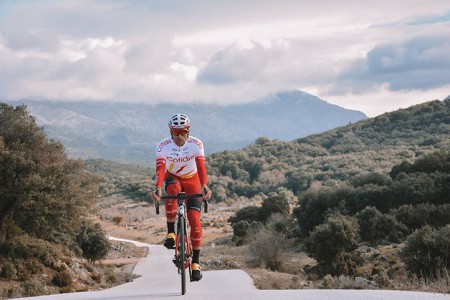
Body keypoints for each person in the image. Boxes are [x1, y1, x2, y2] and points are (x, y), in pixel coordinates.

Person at [151, 113, 212, 281]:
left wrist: (205, 186)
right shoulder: (163, 146)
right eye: (176, 132)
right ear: (171, 132)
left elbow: (201, 166)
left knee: (194, 220)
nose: (179, 136)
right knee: (172, 190)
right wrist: (157, 188)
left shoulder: (196, 144)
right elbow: (160, 170)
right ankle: (171, 233)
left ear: (188, 131)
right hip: (174, 177)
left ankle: (196, 264)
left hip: (193, 180)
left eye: (183, 132)